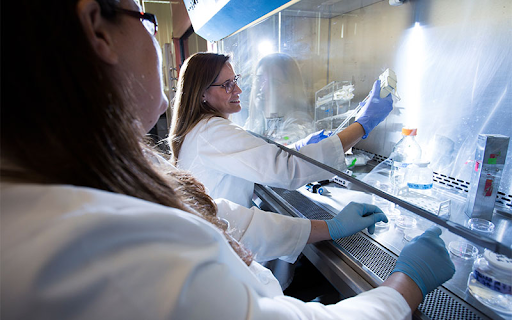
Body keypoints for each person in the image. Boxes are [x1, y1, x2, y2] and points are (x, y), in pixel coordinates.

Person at [1, 0, 455, 319]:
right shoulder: (109, 242)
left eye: (239, 82)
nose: (237, 91)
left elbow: (220, 216)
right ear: (98, 30)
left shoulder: (92, 178)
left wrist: (324, 228)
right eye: (145, 18)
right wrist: (404, 288)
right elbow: (283, 171)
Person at [170, 52, 393, 208]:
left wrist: (297, 147)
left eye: (235, 80)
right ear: (202, 94)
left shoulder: (205, 130)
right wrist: (363, 125)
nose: (238, 89)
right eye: (227, 84)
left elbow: (257, 158)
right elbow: (286, 170)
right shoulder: (213, 133)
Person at [244, 52, 315, 143]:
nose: (263, 88)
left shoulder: (299, 124)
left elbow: (284, 143)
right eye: (259, 79)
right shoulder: (256, 121)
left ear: (292, 88)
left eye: (274, 83)